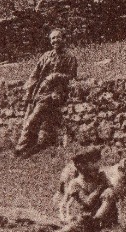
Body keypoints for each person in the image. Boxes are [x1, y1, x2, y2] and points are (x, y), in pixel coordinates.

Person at [14, 28, 78, 156]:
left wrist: (56, 76)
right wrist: (29, 91)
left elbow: (72, 76)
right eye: (52, 38)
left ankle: (19, 150)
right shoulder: (46, 56)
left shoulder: (70, 57)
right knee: (29, 117)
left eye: (58, 37)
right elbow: (35, 74)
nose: (55, 41)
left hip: (55, 93)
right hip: (39, 92)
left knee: (32, 119)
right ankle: (30, 148)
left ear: (64, 39)